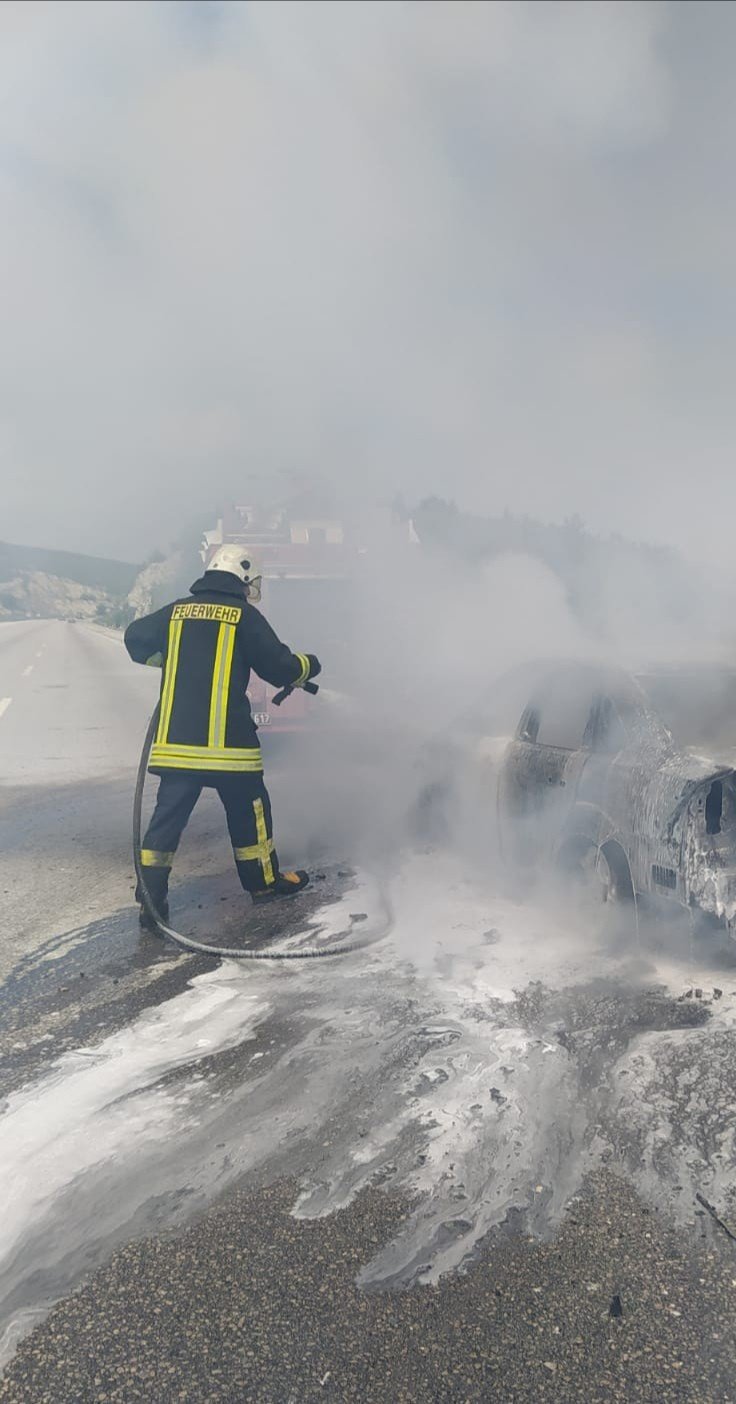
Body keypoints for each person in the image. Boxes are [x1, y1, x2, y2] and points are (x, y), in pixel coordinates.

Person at [124, 544, 321, 929]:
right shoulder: (244, 617)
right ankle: (264, 885)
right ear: (243, 577)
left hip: (177, 749)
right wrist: (309, 665)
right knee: (251, 816)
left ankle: (151, 901)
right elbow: (280, 668)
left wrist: (169, 658)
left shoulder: (176, 612)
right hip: (230, 753)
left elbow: (134, 639)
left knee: (164, 824)